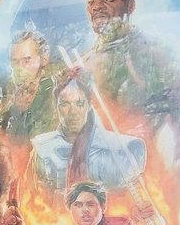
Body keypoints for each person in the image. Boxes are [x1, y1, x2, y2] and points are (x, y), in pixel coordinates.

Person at [83, 0, 180, 168]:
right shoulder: (83, 62)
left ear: (129, 6)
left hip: (152, 166)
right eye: (91, 2)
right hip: (99, 170)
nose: (96, 6)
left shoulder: (156, 54)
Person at [27, 75, 147, 206]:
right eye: (65, 104)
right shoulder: (43, 148)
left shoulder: (124, 149)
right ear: (56, 107)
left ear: (89, 106)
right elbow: (33, 198)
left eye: (79, 103)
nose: (73, 112)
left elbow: (136, 200)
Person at [0, 30, 58, 174]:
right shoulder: (8, 100)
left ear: (43, 59)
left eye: (27, 60)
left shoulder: (56, 94)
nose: (20, 68)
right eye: (15, 62)